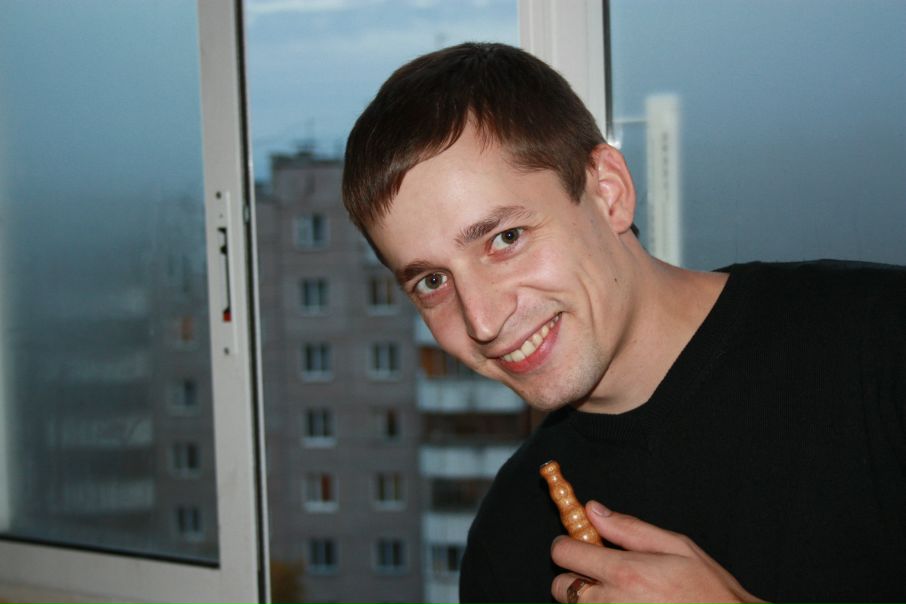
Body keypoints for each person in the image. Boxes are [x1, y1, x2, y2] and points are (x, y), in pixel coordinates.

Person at [342, 42, 906, 603]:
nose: (483, 321)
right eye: (432, 282)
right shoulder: (508, 538)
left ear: (608, 193)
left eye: (505, 238)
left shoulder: (880, 342)